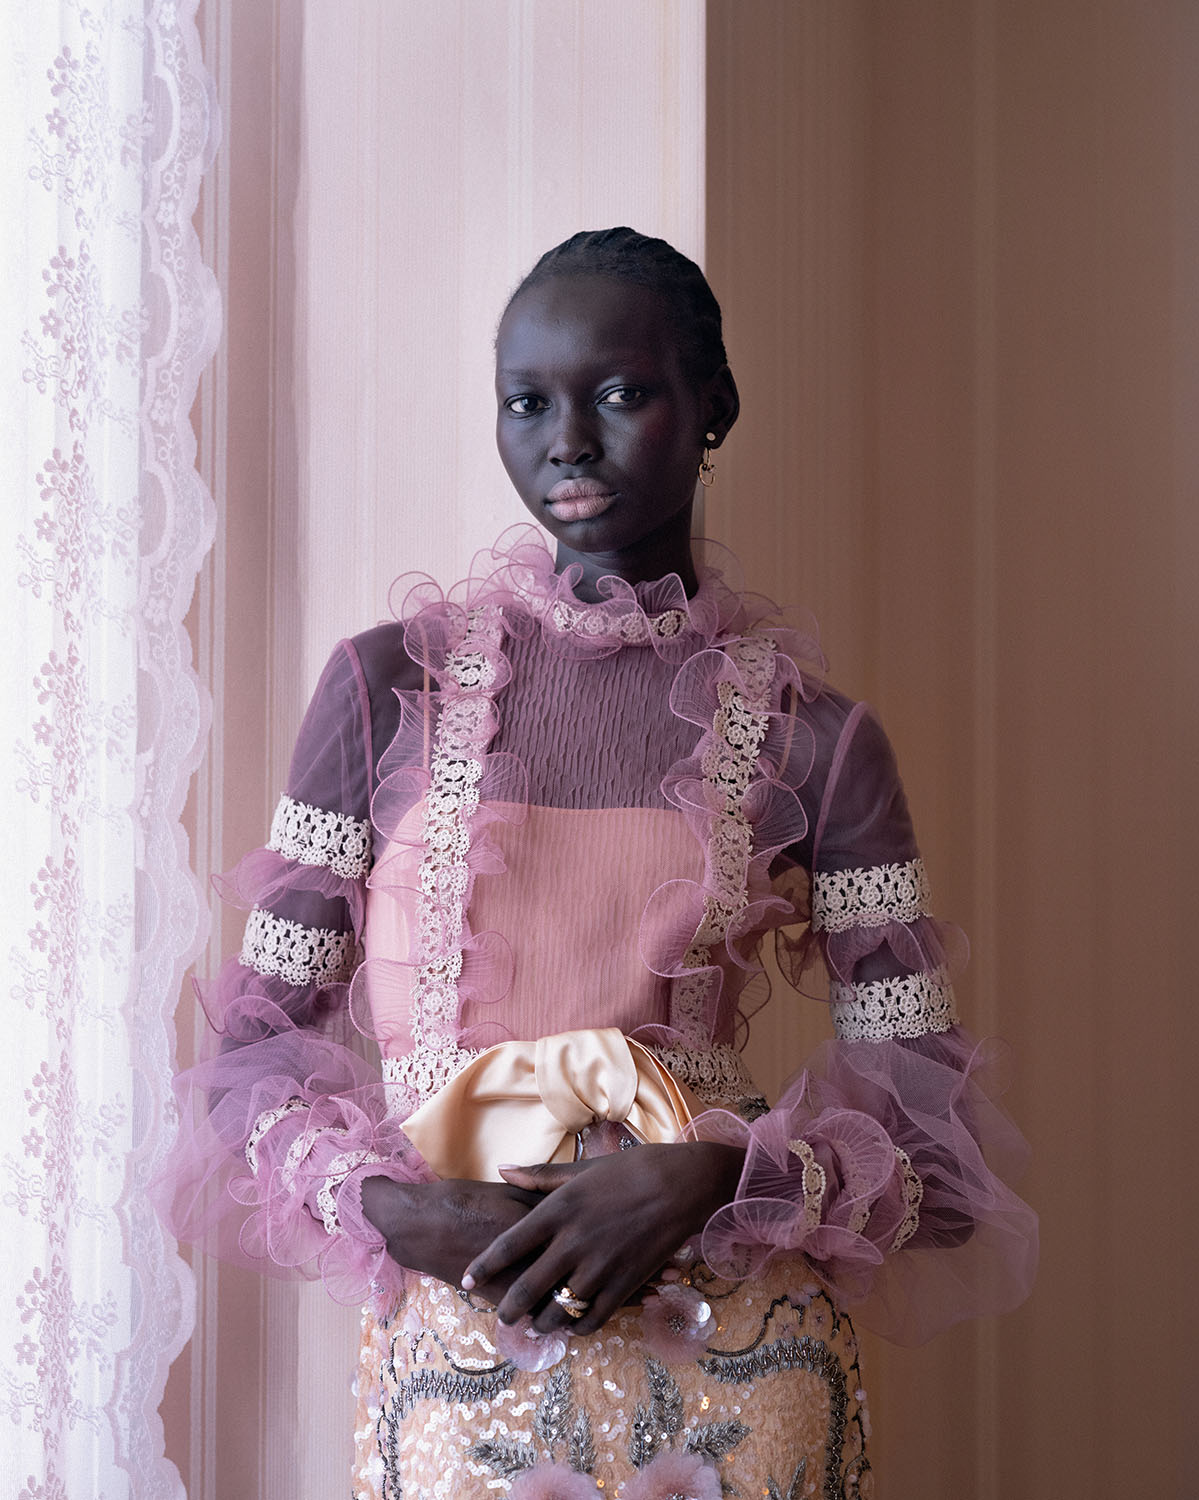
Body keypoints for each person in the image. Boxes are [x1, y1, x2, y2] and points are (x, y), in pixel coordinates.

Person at [157, 228, 1037, 1499]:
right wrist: (397, 1207)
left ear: (713, 406)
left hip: (737, 1359)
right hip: (457, 1360)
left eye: (619, 392)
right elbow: (247, 1059)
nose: (566, 440)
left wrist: (716, 1175)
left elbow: (929, 1134)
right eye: (527, 402)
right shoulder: (384, 685)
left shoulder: (816, 736)